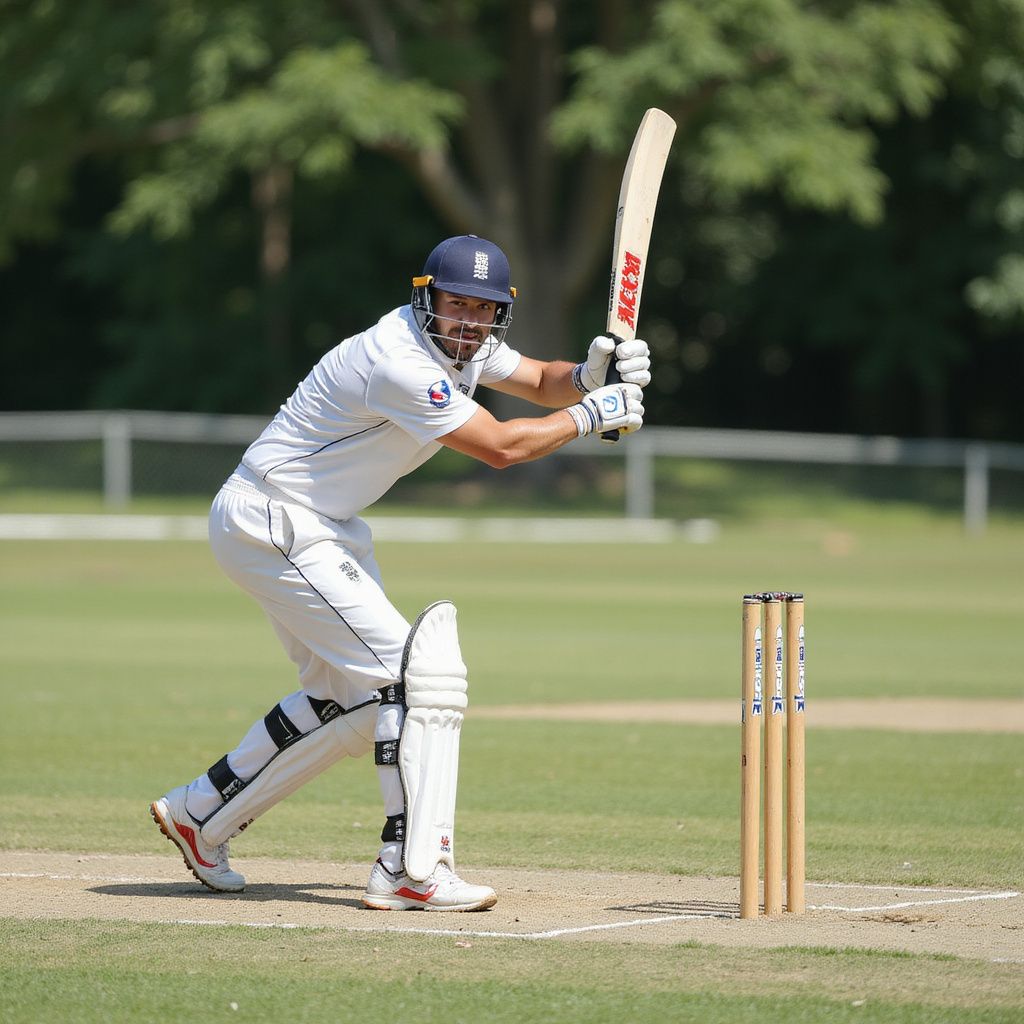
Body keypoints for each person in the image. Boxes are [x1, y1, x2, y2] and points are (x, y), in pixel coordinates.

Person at [150, 234, 650, 911]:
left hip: (320, 524)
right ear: (427, 298)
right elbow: (501, 447)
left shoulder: (465, 345)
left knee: (354, 703)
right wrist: (592, 415)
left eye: (483, 308)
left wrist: (590, 373)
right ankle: (413, 868)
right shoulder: (400, 361)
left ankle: (201, 812)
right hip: (276, 516)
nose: (469, 320)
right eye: (456, 304)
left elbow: (536, 380)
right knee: (415, 679)